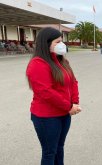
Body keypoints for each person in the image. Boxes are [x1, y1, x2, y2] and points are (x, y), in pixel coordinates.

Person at [26, 27, 81, 164]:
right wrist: (68, 106)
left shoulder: (62, 61)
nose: (62, 45)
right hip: (47, 117)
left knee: (59, 147)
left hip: (64, 113)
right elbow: (46, 92)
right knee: (49, 152)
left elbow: (73, 81)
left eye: (62, 41)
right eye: (58, 42)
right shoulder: (38, 64)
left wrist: (74, 102)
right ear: (46, 43)